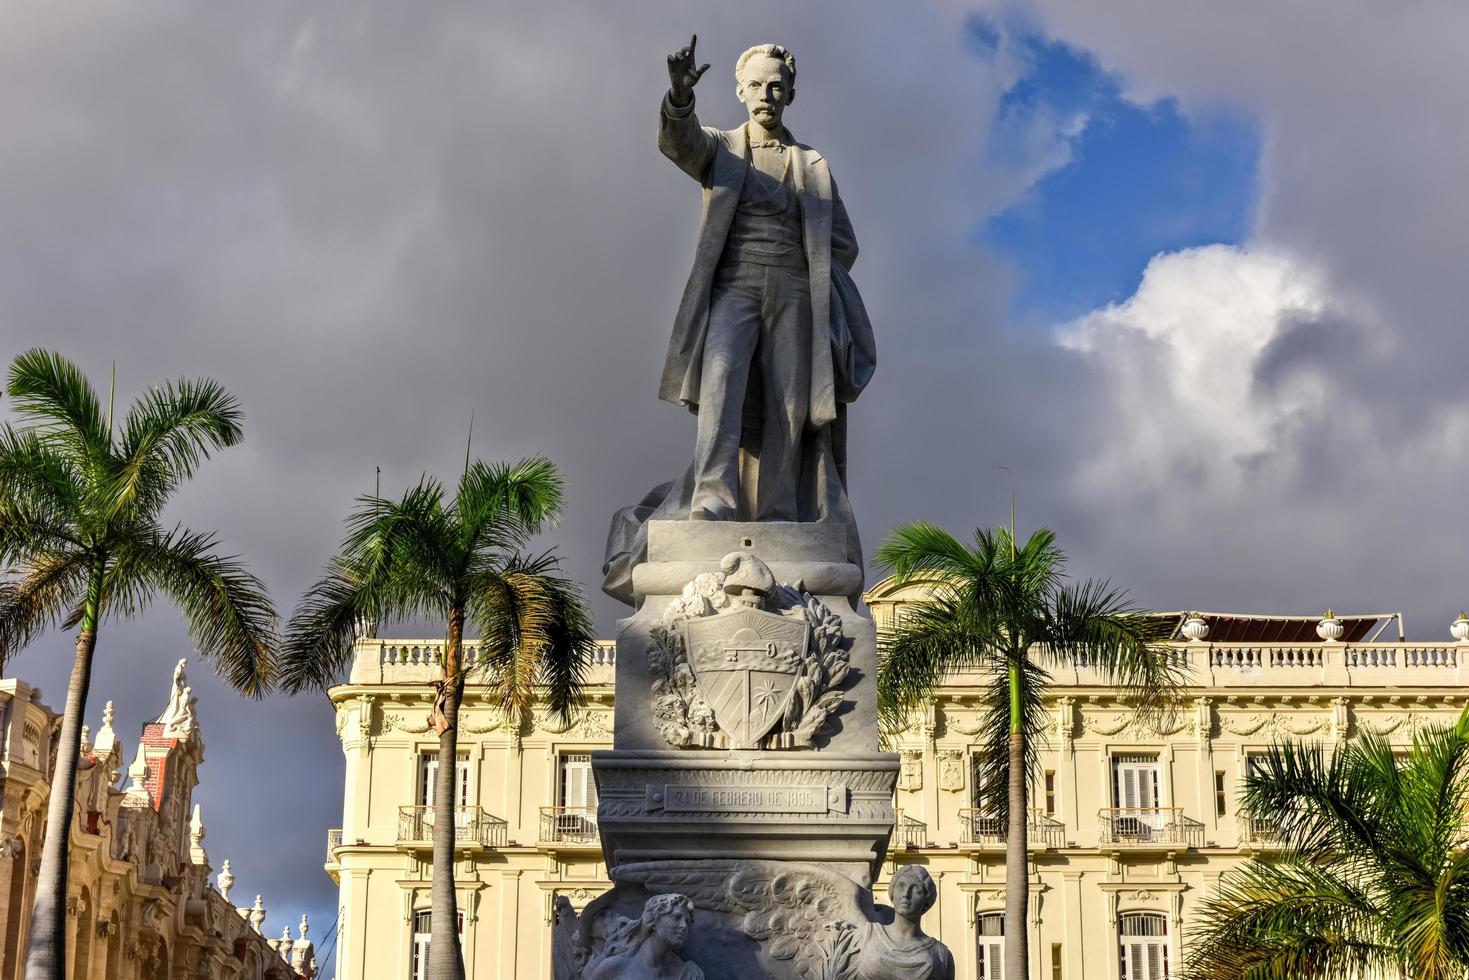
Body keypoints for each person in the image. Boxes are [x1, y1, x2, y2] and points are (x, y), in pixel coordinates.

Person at [602, 36, 874, 604]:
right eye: (756, 85)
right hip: (735, 284)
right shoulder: (722, 148)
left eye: (776, 85)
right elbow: (679, 144)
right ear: (740, 90)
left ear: (791, 92)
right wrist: (679, 96)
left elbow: (842, 242)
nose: (766, 95)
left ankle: (778, 508)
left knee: (789, 404)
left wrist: (812, 270)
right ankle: (713, 499)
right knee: (721, 389)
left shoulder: (812, 165)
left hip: (796, 290)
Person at [855, 866, 955, 980]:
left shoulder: (940, 955)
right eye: (901, 886)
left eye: (916, 889)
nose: (906, 894)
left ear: (926, 902)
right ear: (892, 895)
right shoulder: (868, 936)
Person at [586, 893, 704, 980]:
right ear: (653, 919)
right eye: (676, 917)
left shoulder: (691, 974)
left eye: (687, 922)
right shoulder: (614, 967)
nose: (684, 926)